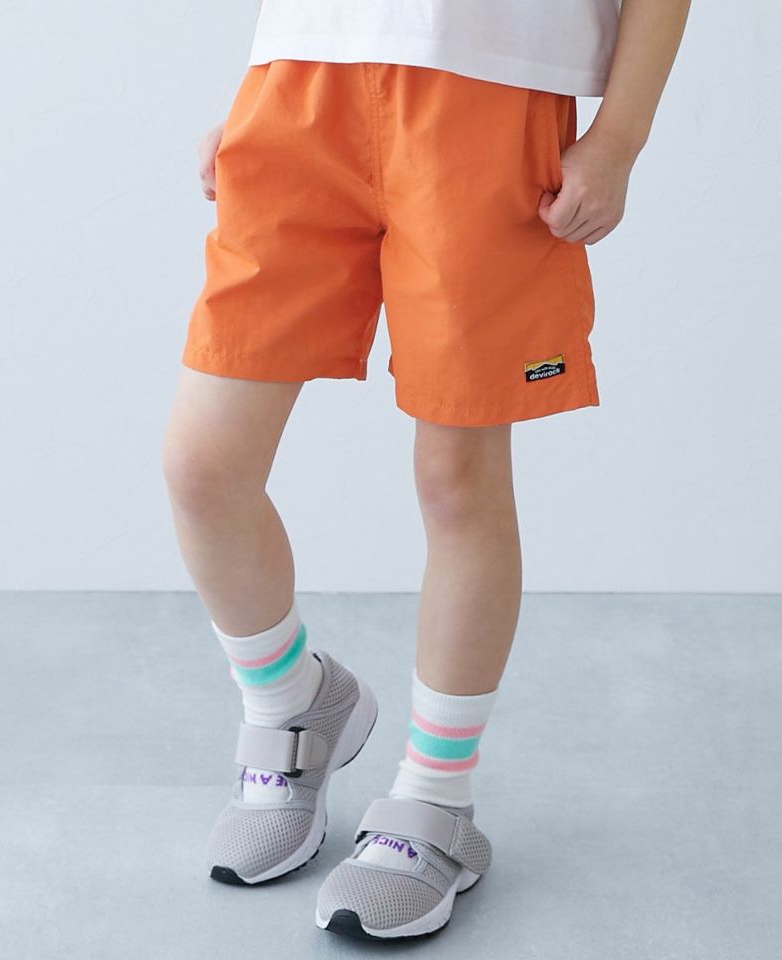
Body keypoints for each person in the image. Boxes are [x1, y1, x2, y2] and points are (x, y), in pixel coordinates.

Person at [162, 0, 692, 941]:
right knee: (203, 465)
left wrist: (619, 139)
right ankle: (291, 705)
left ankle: (437, 798)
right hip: (298, 89)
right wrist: (265, 82)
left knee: (457, 476)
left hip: (490, 99)